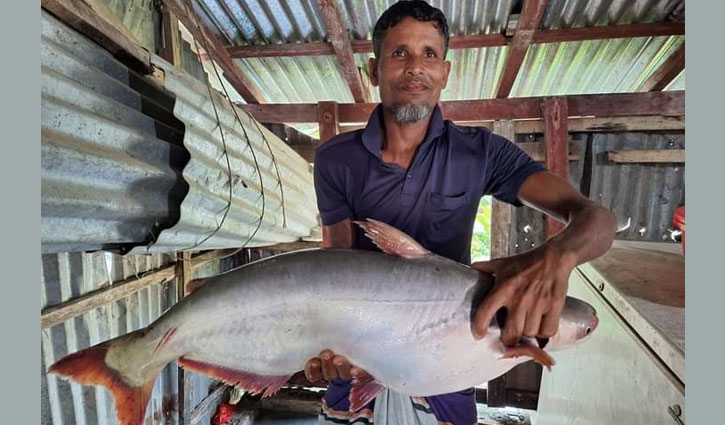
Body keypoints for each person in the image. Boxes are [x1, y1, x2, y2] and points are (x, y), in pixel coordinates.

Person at [307, 2, 616, 424]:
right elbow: (332, 268)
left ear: (445, 72)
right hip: (361, 340)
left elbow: (594, 218)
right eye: (400, 53)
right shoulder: (335, 160)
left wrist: (557, 256)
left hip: (449, 345)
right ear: (373, 70)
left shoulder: (481, 152)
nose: (416, 67)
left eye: (429, 54)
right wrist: (326, 342)